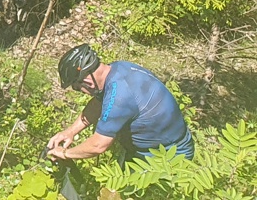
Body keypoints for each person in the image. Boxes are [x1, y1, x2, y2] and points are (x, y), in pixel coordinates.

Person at [46, 44, 195, 163]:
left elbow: (98, 145)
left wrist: (64, 153)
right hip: (153, 148)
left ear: (87, 82)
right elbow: (98, 103)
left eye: (78, 88)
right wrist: (70, 132)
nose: (82, 92)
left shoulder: (120, 97)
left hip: (168, 156)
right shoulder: (119, 68)